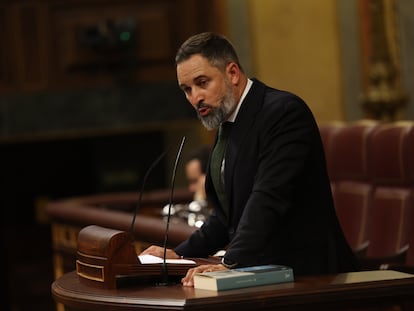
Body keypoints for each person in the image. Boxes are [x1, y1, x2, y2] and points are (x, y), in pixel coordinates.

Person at [140, 32, 359, 286]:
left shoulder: (283, 112)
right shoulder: (228, 122)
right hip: (265, 275)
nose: (195, 97)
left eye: (202, 83)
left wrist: (229, 263)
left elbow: (269, 197)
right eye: (187, 89)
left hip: (310, 278)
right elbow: (226, 215)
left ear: (232, 73)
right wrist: (180, 254)